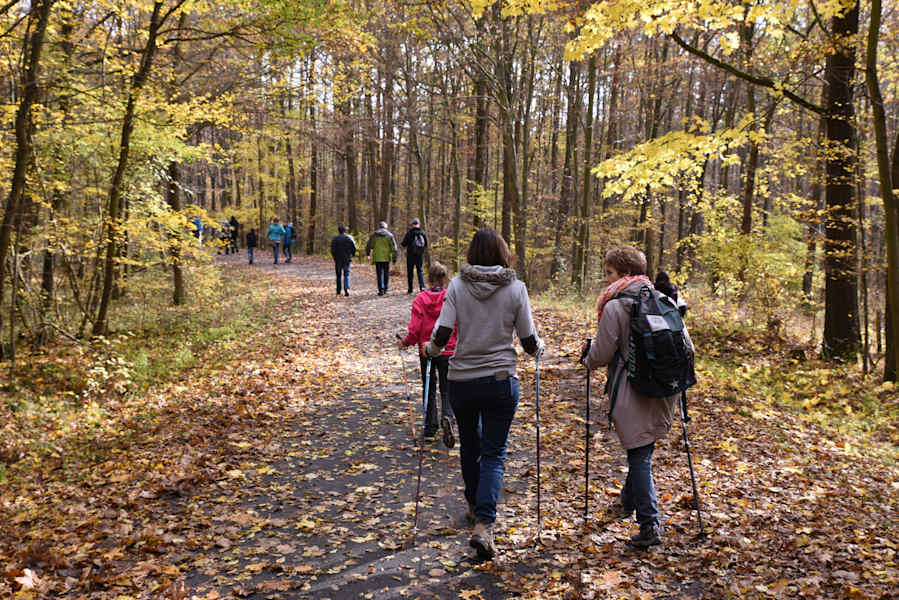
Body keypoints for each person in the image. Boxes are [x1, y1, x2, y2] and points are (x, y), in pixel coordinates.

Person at [425, 228, 544, 560]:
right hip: (500, 380)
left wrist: (431, 350)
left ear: (472, 254)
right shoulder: (516, 289)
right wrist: (540, 350)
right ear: (502, 253)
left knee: (470, 445)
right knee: (493, 453)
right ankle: (484, 524)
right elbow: (529, 340)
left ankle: (475, 506)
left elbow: (443, 332)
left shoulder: (458, 286)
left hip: (462, 380)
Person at [582, 246, 694, 549]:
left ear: (625, 274)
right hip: (666, 388)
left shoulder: (617, 307)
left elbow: (603, 352)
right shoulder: (664, 299)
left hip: (632, 388)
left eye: (609, 273)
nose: (606, 280)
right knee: (643, 446)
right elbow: (688, 347)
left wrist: (586, 360)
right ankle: (628, 501)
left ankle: (649, 524)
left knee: (639, 454)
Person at [398, 262, 457, 445]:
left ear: (429, 278)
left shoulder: (420, 300)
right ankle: (448, 418)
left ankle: (431, 429)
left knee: (429, 389)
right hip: (449, 349)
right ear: (445, 278)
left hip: (427, 351)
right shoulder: (450, 297)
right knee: (447, 389)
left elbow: (415, 329)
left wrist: (405, 342)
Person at [365, 221, 397, 295]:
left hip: (377, 257)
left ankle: (381, 290)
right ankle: (386, 288)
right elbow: (394, 248)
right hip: (387, 257)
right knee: (386, 273)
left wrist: (368, 253)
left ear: (379, 227)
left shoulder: (374, 235)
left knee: (379, 274)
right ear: (386, 227)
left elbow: (370, 245)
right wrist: (394, 257)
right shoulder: (390, 235)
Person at [400, 217, 428, 294]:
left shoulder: (409, 233)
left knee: (410, 272)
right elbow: (426, 244)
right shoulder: (422, 232)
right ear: (418, 224)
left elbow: (403, 244)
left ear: (412, 224)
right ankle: (422, 287)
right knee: (420, 271)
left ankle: (410, 289)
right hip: (420, 255)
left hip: (410, 255)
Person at [330, 225, 357, 296]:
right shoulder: (349, 238)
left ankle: (338, 291)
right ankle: (346, 288)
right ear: (345, 231)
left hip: (338, 259)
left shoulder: (335, 239)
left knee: (338, 275)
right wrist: (352, 256)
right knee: (346, 274)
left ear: (338, 231)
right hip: (347, 259)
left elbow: (332, 250)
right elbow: (354, 248)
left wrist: (334, 257)